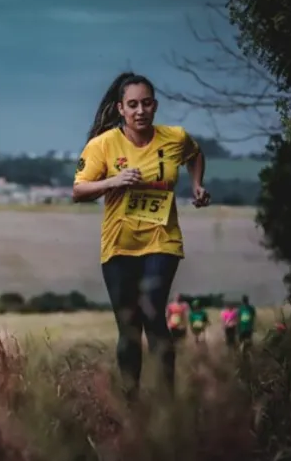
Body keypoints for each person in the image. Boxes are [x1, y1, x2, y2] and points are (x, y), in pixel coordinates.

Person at [72, 71, 211, 398]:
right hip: (119, 246)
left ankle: (165, 405)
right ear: (120, 109)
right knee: (129, 327)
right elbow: (78, 190)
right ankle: (131, 403)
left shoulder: (174, 138)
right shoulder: (102, 145)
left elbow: (195, 154)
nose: (140, 111)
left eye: (146, 103)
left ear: (155, 106)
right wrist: (112, 182)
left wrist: (197, 184)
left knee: (153, 312)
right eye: (132, 105)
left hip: (162, 240)